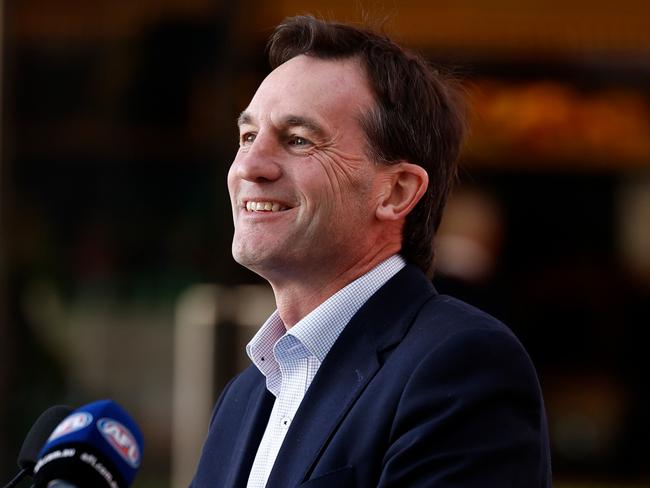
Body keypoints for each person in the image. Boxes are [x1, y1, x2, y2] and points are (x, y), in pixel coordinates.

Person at [192, 15, 551, 488]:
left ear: (397, 191)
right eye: (248, 136)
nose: (250, 166)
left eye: (298, 140)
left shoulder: (461, 366)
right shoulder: (243, 398)